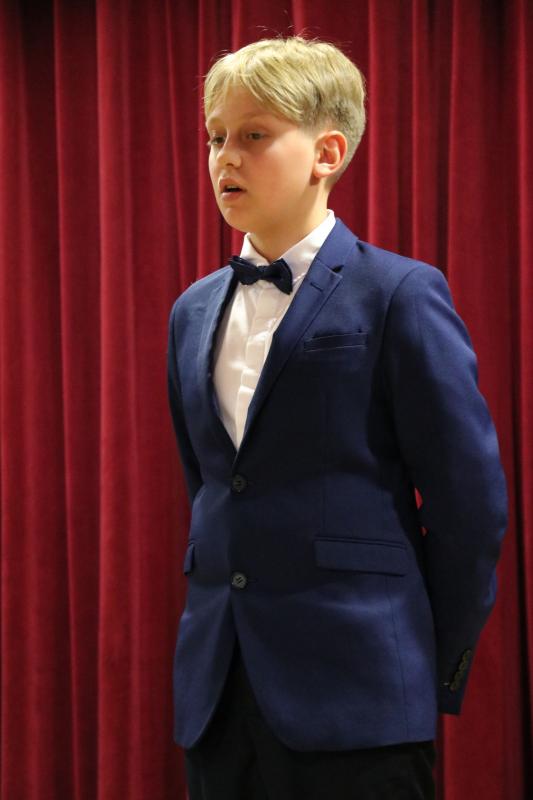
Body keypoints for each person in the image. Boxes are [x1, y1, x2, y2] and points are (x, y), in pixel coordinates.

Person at [167, 35, 507, 800]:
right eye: (215, 137)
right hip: (218, 695)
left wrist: (418, 658)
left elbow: (469, 506)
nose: (225, 157)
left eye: (254, 135)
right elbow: (211, 489)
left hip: (361, 690)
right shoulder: (190, 311)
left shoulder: (400, 293)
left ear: (326, 152)